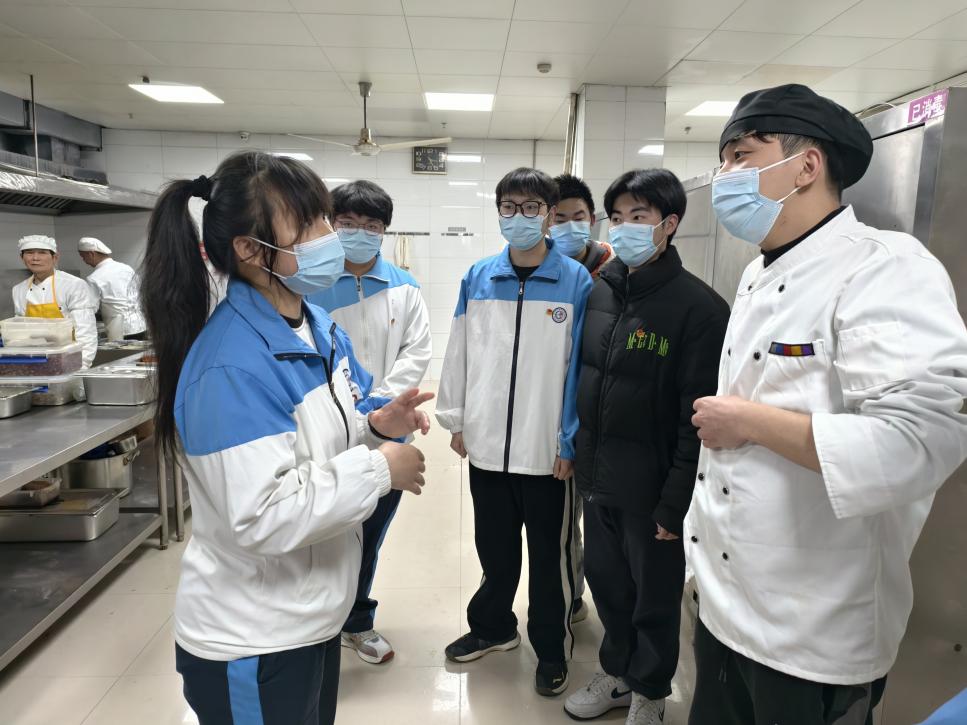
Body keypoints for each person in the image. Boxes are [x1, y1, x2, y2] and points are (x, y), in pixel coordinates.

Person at [685, 84, 967, 725]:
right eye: (723, 160)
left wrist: (749, 421)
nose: (724, 176)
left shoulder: (884, 267)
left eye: (741, 156)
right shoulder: (757, 273)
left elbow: (916, 442)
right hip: (727, 603)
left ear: (806, 166)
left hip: (814, 631)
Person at [139, 152, 433, 725]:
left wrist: (377, 425)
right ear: (250, 250)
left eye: (324, 217)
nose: (331, 236)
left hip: (310, 616)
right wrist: (381, 469)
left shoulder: (314, 327)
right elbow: (262, 513)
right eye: (311, 224)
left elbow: (321, 435)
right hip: (254, 636)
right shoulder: (232, 366)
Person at [566, 169, 729, 725]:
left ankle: (651, 689)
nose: (625, 227)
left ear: (669, 223)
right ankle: (616, 673)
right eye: (617, 217)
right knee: (607, 584)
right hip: (598, 477)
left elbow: (696, 419)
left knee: (654, 596)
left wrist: (674, 501)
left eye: (640, 216)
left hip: (652, 487)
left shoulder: (699, 309)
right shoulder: (600, 290)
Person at [436, 167, 593, 697]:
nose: (519, 217)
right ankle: (493, 628)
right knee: (494, 550)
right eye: (509, 207)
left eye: (531, 207)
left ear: (549, 215)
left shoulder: (576, 281)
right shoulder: (479, 276)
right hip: (487, 449)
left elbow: (578, 371)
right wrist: (457, 418)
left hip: (547, 453)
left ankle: (551, 649)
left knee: (550, 562)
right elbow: (459, 351)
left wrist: (568, 441)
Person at [308, 180, 431, 665]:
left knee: (369, 533)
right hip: (324, 431)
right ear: (331, 224)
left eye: (372, 225)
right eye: (348, 223)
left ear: (384, 231)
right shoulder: (311, 284)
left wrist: (378, 411)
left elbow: (416, 352)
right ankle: (316, 623)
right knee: (321, 528)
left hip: (388, 435)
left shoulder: (404, 287)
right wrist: (352, 411)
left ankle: (357, 621)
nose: (360, 232)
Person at [549, 173, 613, 626]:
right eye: (559, 218)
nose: (569, 226)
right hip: (554, 415)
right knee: (563, 519)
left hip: (601, 414)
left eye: (578, 217)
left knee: (595, 521)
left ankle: (575, 595)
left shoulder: (614, 272)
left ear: (592, 219)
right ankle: (569, 594)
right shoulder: (541, 269)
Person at [12, 234, 97, 368]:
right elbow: (21, 332)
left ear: (55, 257)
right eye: (29, 253)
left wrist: (82, 365)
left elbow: (85, 330)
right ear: (22, 258)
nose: (35, 258)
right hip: (34, 360)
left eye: (42, 253)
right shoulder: (19, 290)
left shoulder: (73, 285)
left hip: (69, 359)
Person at [77, 236, 147, 341]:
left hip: (119, 331)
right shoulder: (126, 268)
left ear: (91, 254)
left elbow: (90, 309)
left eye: (83, 257)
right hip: (140, 326)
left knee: (122, 352)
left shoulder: (94, 278)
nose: (84, 261)